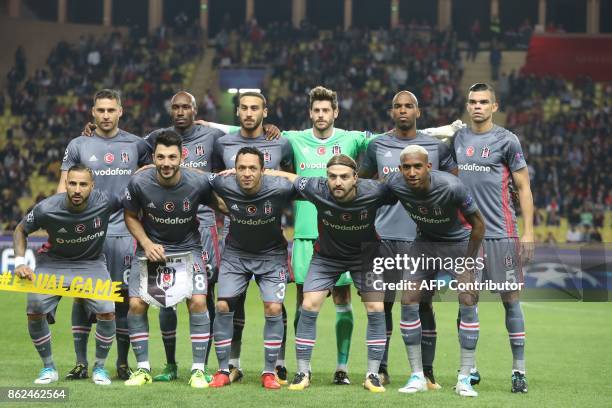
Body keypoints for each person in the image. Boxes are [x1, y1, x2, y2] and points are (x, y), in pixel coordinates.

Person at [205, 85, 461, 385]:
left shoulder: (353, 139)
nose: (321, 114)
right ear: (309, 113)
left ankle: (344, 368)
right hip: (307, 236)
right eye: (316, 110)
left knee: (347, 300)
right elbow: (252, 128)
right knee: (303, 302)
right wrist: (210, 125)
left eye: (326, 110)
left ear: (335, 112)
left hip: (355, 240)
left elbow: (395, 135)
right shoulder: (292, 138)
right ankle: (290, 366)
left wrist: (440, 131)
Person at [268, 154, 398, 393]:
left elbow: (405, 189)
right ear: (326, 178)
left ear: (356, 178)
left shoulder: (375, 191)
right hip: (327, 257)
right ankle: (303, 372)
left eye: (344, 177)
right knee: (309, 304)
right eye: (333, 177)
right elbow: (288, 176)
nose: (338, 182)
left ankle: (372, 374)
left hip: (365, 258)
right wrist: (253, 172)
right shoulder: (317, 188)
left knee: (376, 308)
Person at [359, 90, 457, 388]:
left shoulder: (436, 147)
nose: (403, 111)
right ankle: (383, 368)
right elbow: (362, 184)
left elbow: (454, 183)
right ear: (392, 112)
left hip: (424, 239)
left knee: (424, 305)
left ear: (418, 111)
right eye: (397, 106)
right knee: (384, 305)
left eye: (408, 106)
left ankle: (427, 373)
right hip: (383, 237)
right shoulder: (378, 144)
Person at [122, 131, 224, 388]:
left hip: (189, 249)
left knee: (199, 301)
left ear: (182, 157)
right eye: (161, 157)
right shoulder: (139, 182)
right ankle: (143, 369)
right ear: (153, 157)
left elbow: (221, 204)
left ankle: (198, 370)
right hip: (151, 250)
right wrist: (146, 243)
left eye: (172, 157)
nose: (166, 163)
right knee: (135, 304)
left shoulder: (197, 182)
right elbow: (131, 215)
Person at [59, 89, 148, 380]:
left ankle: (122, 364)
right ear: (92, 112)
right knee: (81, 298)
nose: (106, 116)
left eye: (111, 110)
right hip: (88, 235)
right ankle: (82, 363)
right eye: (101, 111)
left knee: (122, 298)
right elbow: (63, 190)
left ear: (120, 111)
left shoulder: (137, 144)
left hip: (125, 233)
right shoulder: (79, 145)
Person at [452, 82, 534, 393]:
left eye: (484, 102)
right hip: (467, 236)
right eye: (473, 101)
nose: (477, 106)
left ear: (494, 106)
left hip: (502, 234)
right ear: (467, 104)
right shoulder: (457, 138)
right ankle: (468, 369)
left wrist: (528, 231)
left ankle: (519, 371)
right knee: (466, 301)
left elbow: (524, 187)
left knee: (510, 302)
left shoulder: (507, 140)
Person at [385, 145, 485, 397]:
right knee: (408, 298)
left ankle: (465, 378)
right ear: (400, 169)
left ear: (429, 167)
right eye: (406, 167)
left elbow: (479, 225)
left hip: (460, 244)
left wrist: (468, 263)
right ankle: (417, 375)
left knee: (467, 299)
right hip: (425, 244)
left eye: (417, 166)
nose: (412, 172)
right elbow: (371, 193)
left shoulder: (452, 187)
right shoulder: (395, 183)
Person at [142, 91, 226, 382]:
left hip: (203, 223)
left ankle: (203, 363)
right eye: (175, 107)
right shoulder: (156, 138)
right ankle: (170, 364)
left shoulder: (212, 136)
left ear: (195, 109)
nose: (179, 111)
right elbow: (129, 147)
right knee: (166, 294)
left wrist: (269, 129)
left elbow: (240, 141)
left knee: (205, 293)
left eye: (185, 107)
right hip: (166, 224)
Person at [211, 91, 293, 384]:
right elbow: (206, 181)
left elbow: (293, 179)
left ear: (265, 111)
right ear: (237, 112)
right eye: (243, 108)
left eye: (254, 108)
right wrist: (224, 205)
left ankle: (273, 368)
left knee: (274, 306)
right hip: (235, 246)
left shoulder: (281, 141)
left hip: (271, 249)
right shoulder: (222, 143)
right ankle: (227, 366)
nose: (248, 113)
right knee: (226, 305)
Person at [14, 165, 123, 385]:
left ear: (92, 186)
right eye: (72, 183)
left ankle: (99, 368)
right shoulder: (47, 209)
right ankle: (48, 367)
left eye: (83, 184)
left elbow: (135, 197)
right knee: (34, 308)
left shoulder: (106, 201)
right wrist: (19, 263)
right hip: (54, 263)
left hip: (91, 264)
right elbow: (20, 230)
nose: (77, 189)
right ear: (65, 184)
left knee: (107, 309)